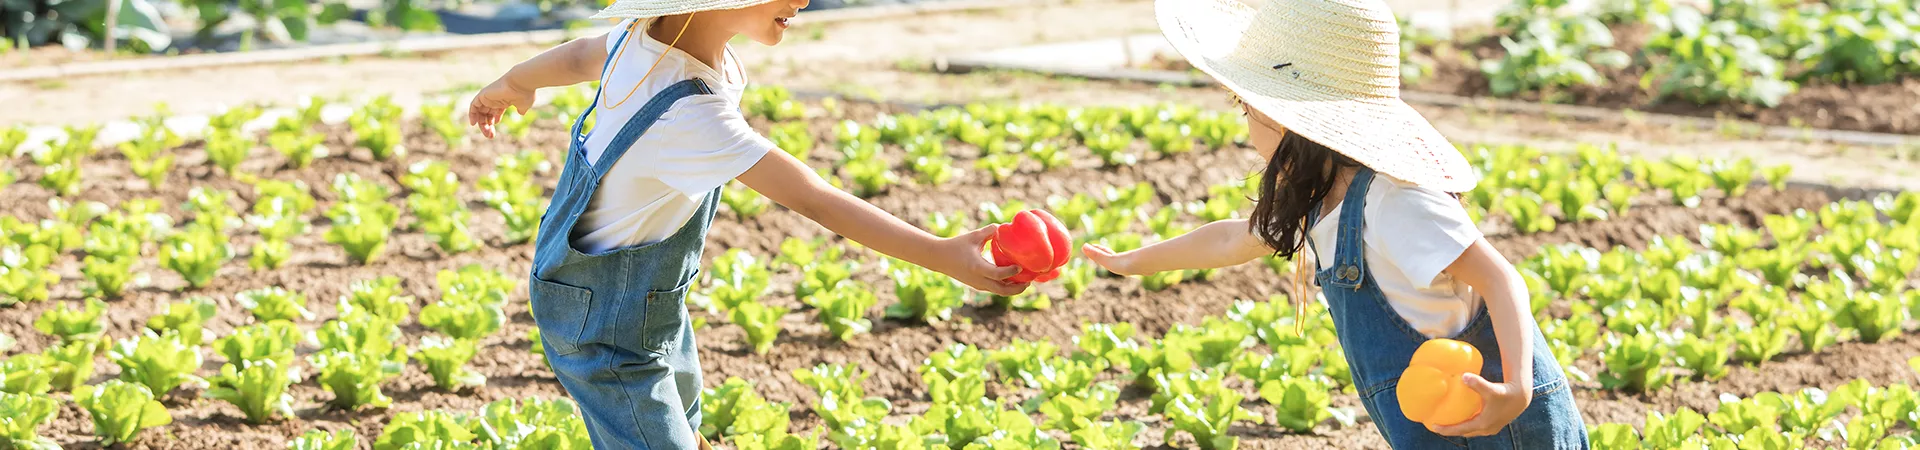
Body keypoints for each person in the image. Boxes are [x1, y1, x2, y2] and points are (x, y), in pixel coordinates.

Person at [463, 0, 1030, 448]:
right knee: (649, 426)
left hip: (646, 300)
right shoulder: (689, 113)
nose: (804, 0)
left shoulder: (646, 42)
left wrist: (514, 83)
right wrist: (939, 254)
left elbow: (580, 57)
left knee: (680, 414)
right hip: (602, 325)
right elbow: (815, 199)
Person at [1081, 0, 1591, 448]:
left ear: (1287, 122)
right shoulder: (1322, 200)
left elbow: (1501, 278)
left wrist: (1516, 389)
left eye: (1247, 108)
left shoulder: (1396, 203)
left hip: (1496, 422)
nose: (1245, 122)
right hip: (1436, 423)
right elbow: (1233, 238)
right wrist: (1136, 262)